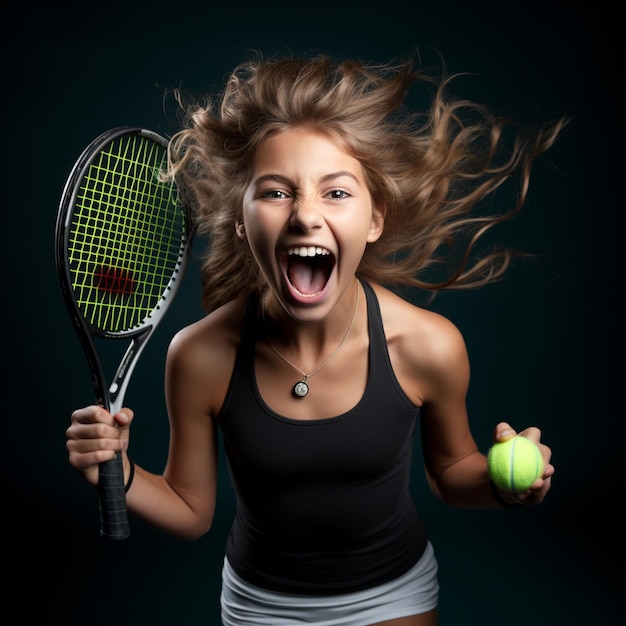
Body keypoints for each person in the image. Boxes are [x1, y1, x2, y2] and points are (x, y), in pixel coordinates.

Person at [66, 53, 562, 626]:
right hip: (258, 605)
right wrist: (115, 470)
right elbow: (191, 510)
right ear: (239, 219)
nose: (305, 216)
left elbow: (453, 474)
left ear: (374, 219)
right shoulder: (200, 356)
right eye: (276, 192)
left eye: (336, 193)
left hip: (392, 597)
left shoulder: (427, 345)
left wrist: (507, 486)